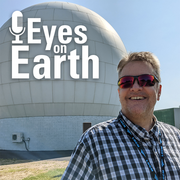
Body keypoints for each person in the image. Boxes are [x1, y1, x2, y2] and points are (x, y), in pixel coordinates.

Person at [61, 52, 180, 180]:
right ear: (119, 93)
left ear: (159, 91)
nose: (135, 87)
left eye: (146, 80)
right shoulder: (94, 141)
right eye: (126, 82)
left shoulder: (177, 138)